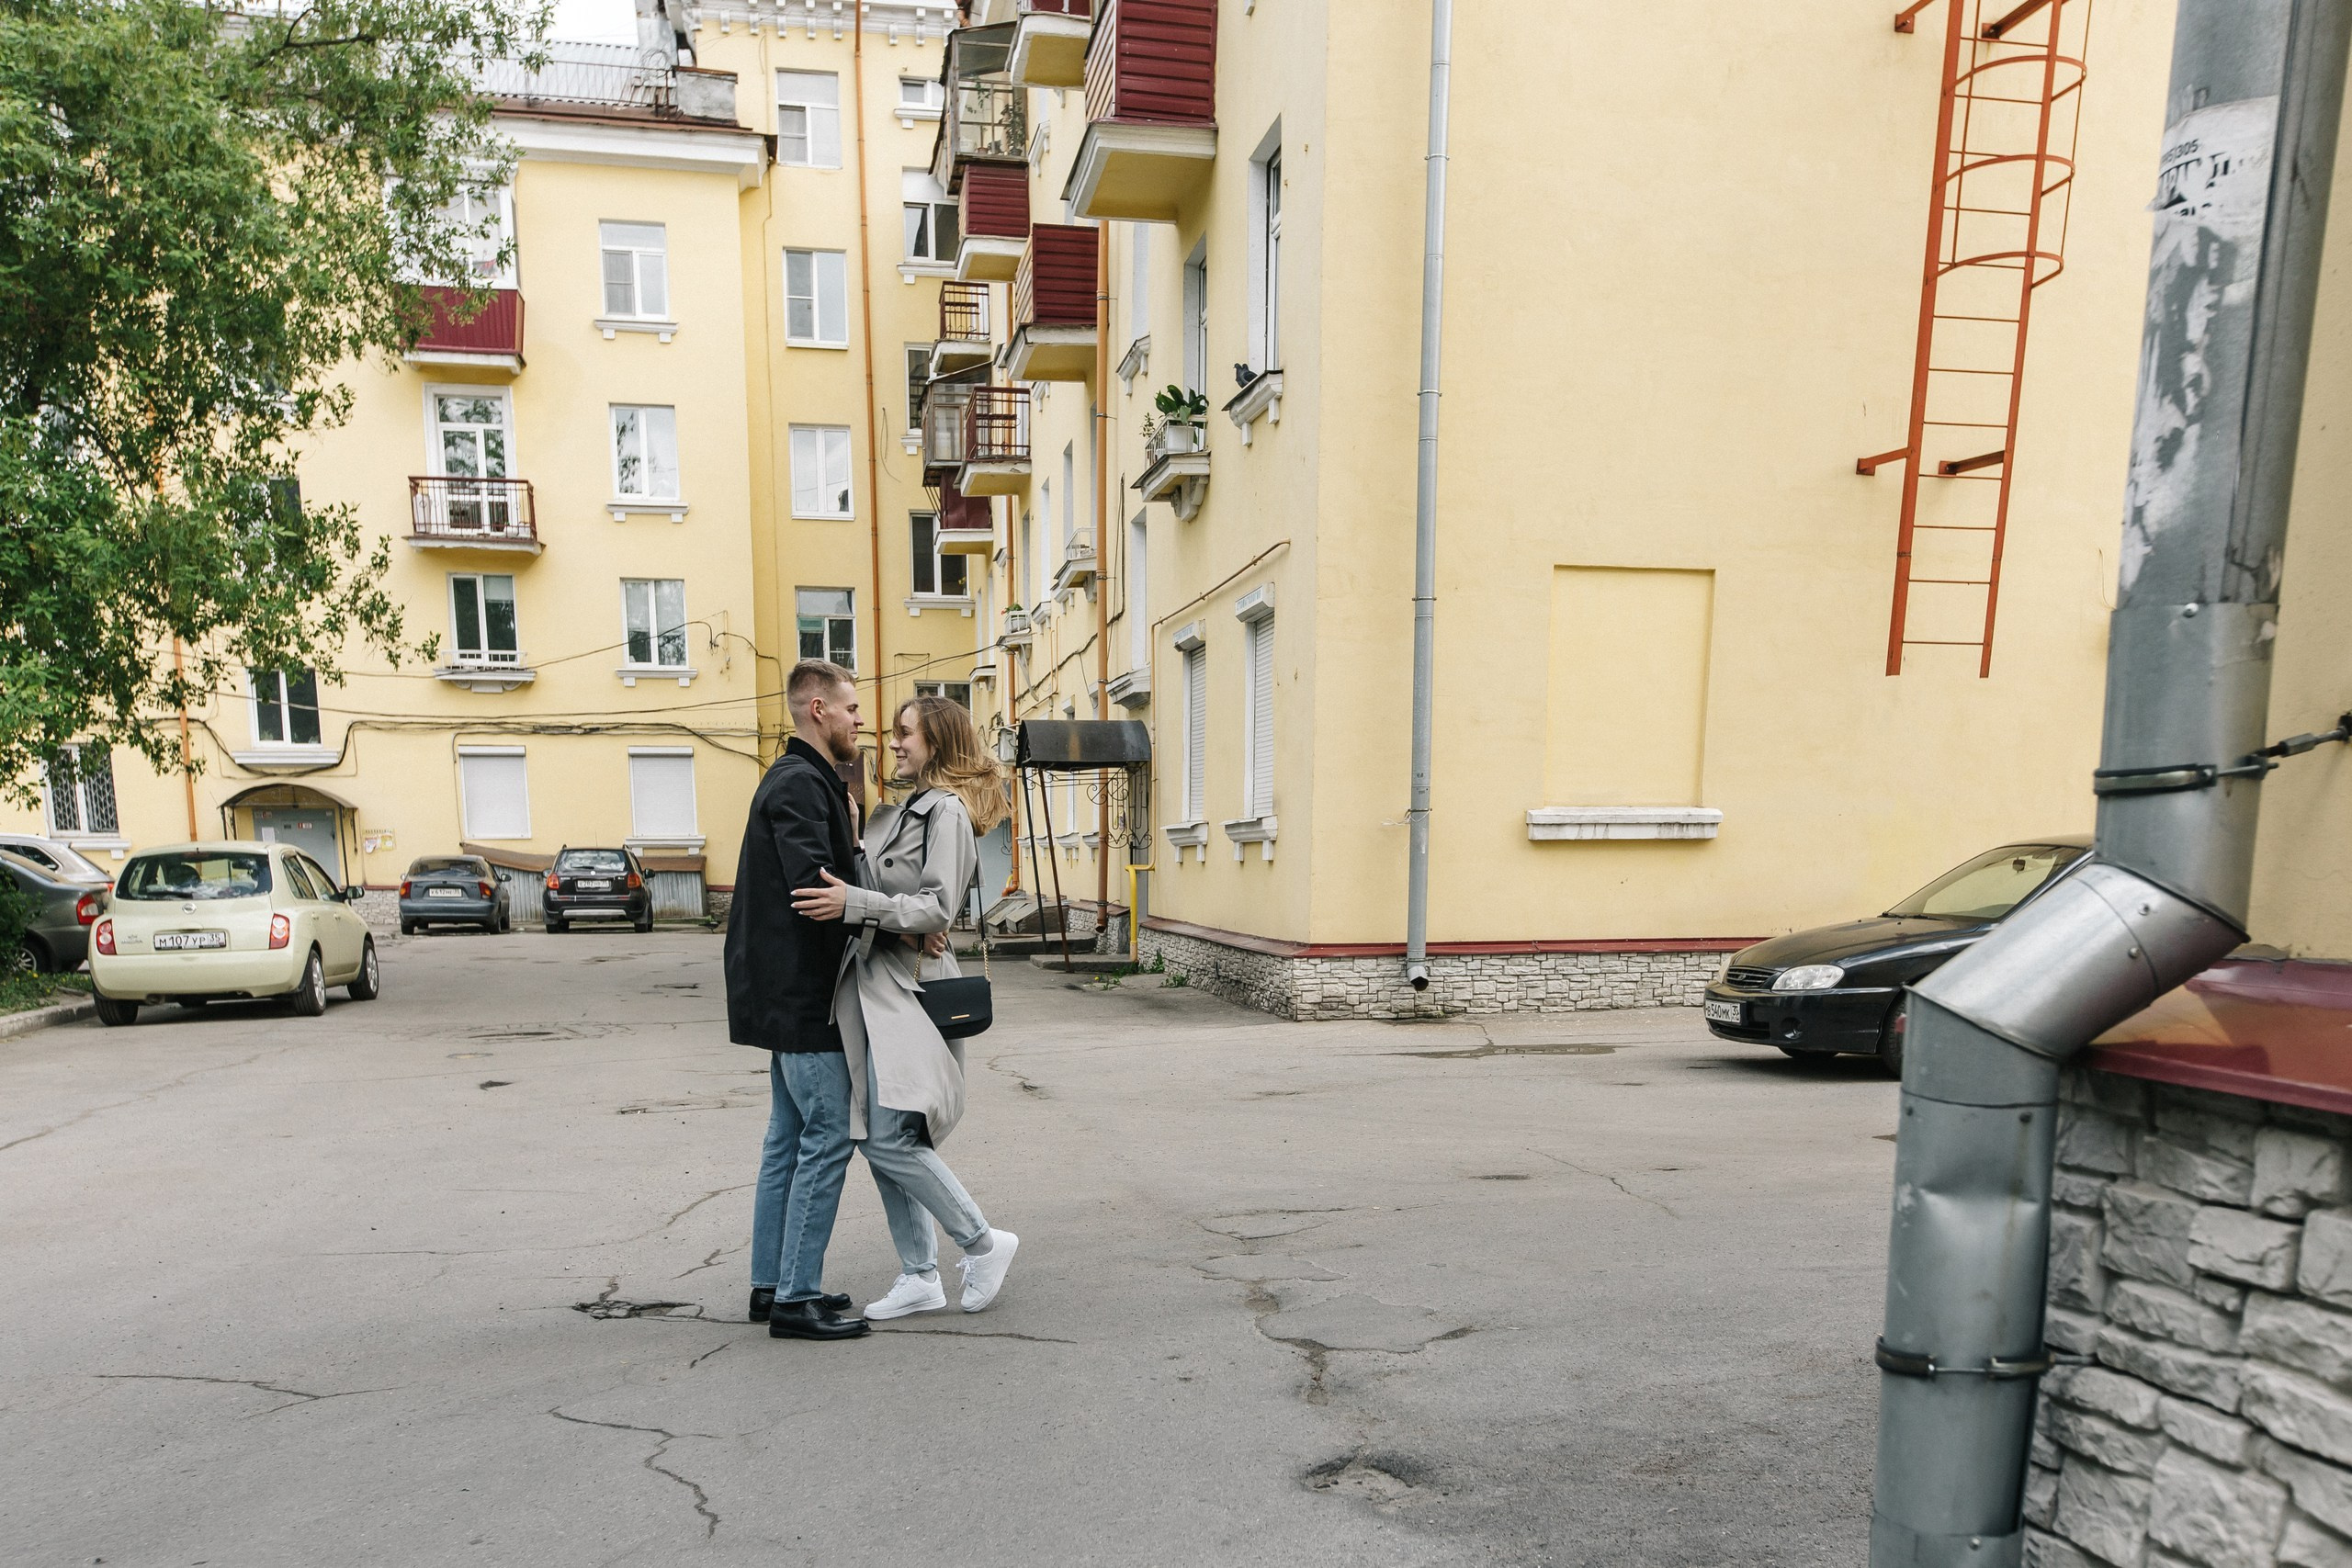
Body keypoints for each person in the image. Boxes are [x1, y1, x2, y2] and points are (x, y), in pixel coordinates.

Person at [792, 694, 1019, 1319]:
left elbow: (936, 910)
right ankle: (919, 1273)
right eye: (893, 733)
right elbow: (891, 892)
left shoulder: (944, 812)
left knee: (892, 1136)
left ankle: (981, 1241)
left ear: (937, 744)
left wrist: (857, 905)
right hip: (879, 983)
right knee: (883, 1132)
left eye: (905, 734)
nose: (893, 742)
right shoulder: (905, 809)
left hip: (914, 991)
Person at [724, 660, 870, 1342]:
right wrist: (892, 918)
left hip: (786, 994)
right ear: (818, 711)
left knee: (786, 1138)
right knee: (828, 1134)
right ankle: (796, 1295)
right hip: (806, 997)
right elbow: (820, 895)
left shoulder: (802, 782)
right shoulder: (802, 785)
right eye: (849, 708)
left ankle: (770, 1283)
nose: (858, 720)